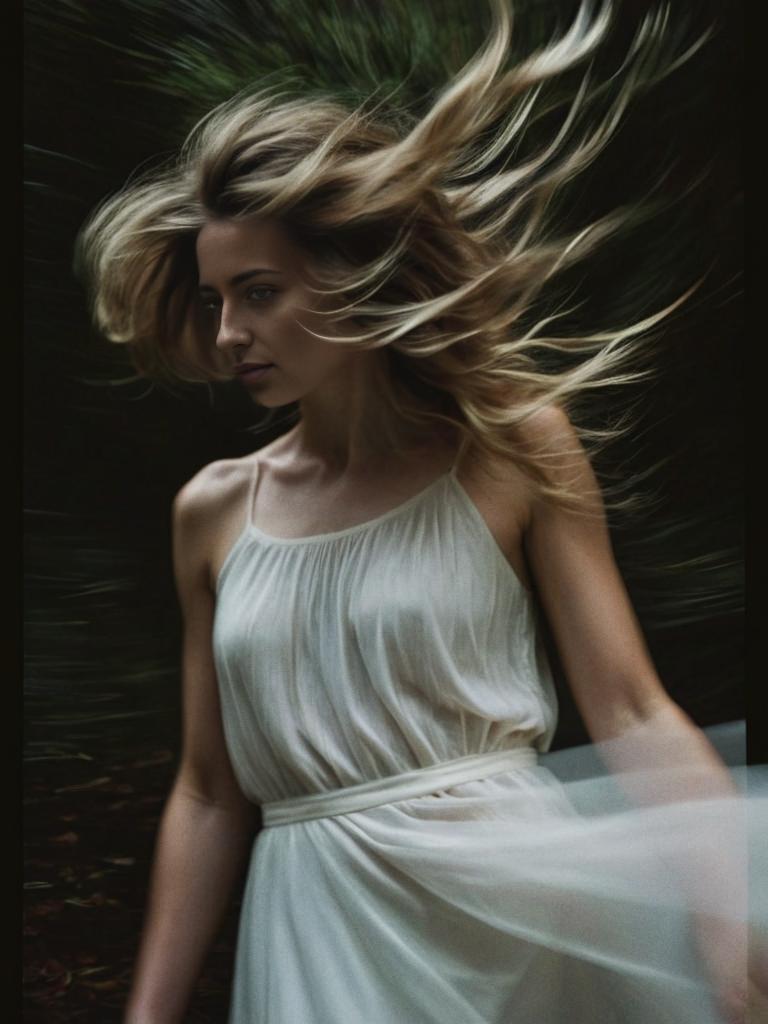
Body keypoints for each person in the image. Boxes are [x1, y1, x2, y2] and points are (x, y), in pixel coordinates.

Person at [75, 1, 766, 1021]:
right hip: (318, 924)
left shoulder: (514, 447)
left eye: (258, 291)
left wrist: (725, 920)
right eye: (219, 299)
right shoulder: (212, 513)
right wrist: (148, 1012)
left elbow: (629, 707)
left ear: (354, 276)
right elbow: (211, 791)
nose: (229, 333)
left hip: (519, 911)